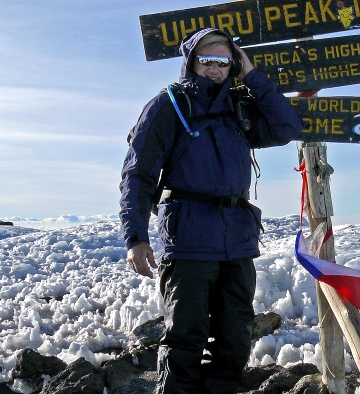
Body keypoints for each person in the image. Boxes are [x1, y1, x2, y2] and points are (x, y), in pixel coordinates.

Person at [119, 28, 304, 394]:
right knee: (185, 336)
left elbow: (287, 127)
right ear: (191, 62)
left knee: (235, 335)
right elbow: (137, 174)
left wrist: (251, 76)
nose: (215, 68)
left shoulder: (237, 107)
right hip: (188, 238)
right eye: (207, 60)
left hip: (236, 239)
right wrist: (135, 237)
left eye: (224, 61)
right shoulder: (169, 106)